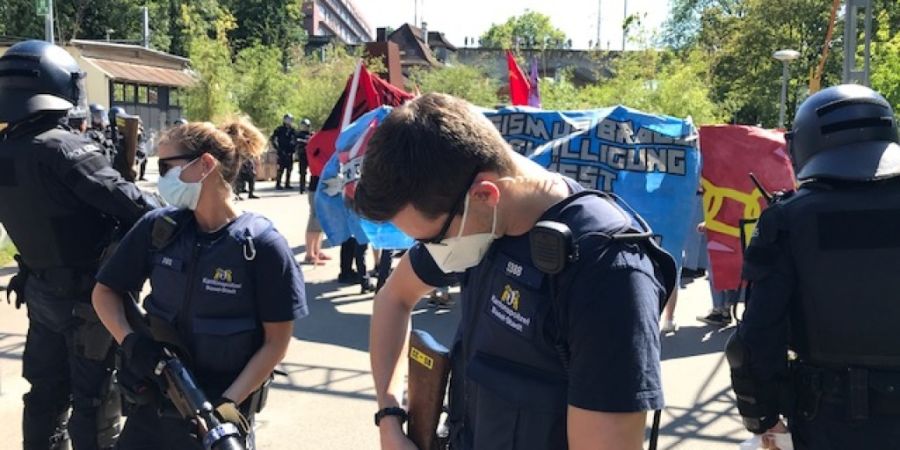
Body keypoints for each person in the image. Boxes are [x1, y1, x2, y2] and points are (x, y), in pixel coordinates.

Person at [354, 93, 676, 450]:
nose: (432, 252)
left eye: (434, 239)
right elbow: (393, 298)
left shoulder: (608, 271)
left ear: (484, 195)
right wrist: (389, 417)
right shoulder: (484, 222)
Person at [92, 117, 308, 449]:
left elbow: (276, 342)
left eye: (167, 166)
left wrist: (226, 405)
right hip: (152, 408)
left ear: (205, 164)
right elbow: (104, 292)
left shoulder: (261, 246)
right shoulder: (159, 228)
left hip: (216, 415)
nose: (161, 176)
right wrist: (132, 342)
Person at [0, 40, 160, 450]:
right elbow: (140, 207)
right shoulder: (63, 147)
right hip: (88, 299)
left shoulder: (7, 149)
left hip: (40, 291)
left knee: (44, 397)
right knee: (92, 399)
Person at [726, 84, 900, 449]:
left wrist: (762, 416)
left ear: (803, 143)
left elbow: (756, 339)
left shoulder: (789, 218)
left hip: (831, 421)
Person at [271, 113, 296, 190]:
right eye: (288, 119)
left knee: (289, 169)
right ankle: (278, 184)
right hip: (281, 151)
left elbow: (295, 139)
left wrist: (294, 148)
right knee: (280, 169)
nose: (290, 121)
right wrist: (277, 148)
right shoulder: (279, 129)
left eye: (291, 120)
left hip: (290, 152)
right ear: (284, 120)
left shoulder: (293, 130)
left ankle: (287, 183)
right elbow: (272, 139)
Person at [295, 118, 312, 193]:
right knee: (302, 172)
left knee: (313, 172)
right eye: (303, 125)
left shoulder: (311, 134)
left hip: (310, 155)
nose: (305, 127)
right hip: (302, 155)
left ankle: (312, 187)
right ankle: (302, 188)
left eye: (306, 125)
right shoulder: (298, 134)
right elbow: (296, 142)